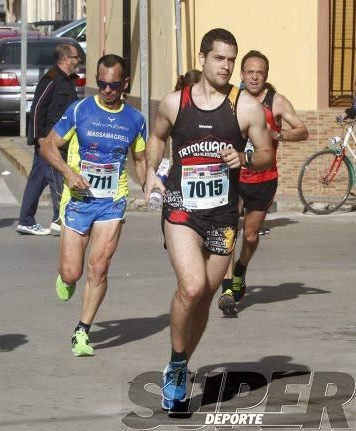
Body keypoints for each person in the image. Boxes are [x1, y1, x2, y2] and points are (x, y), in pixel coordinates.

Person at [143, 28, 274, 411]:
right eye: (220, 58)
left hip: (222, 215)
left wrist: (246, 159)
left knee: (204, 298)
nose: (227, 66)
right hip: (181, 209)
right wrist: (151, 172)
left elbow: (266, 153)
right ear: (202, 58)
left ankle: (178, 361)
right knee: (193, 286)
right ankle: (179, 369)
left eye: (231, 60)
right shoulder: (174, 102)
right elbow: (156, 136)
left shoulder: (245, 107)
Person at [40, 54, 147, 356]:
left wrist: (150, 183)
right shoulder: (79, 110)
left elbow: (140, 158)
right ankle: (66, 277)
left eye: (113, 85)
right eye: (101, 84)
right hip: (78, 201)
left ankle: (82, 331)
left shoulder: (136, 120)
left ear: (125, 83)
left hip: (112, 201)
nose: (107, 91)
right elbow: (48, 145)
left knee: (99, 267)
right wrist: (68, 173)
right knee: (72, 272)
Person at [218, 50, 308, 316]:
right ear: (242, 74)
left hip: (263, 177)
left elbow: (302, 131)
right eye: (250, 72)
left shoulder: (276, 101)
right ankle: (227, 290)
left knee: (250, 235)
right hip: (234, 175)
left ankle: (241, 271)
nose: (255, 77)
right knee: (228, 230)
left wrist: (276, 134)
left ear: (266, 75)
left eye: (260, 72)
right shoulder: (232, 98)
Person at [17, 43, 81, 236]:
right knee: (58, 180)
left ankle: (25, 220)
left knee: (36, 181)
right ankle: (59, 220)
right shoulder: (51, 79)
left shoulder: (67, 81)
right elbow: (37, 109)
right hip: (49, 142)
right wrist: (40, 139)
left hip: (60, 139)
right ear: (66, 59)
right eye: (76, 57)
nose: (79, 60)